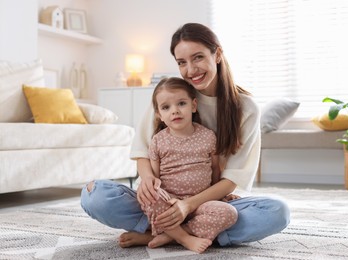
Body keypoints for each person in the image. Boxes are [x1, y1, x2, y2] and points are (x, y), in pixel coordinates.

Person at [80, 22, 290, 249]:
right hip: (162, 201)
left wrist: (187, 206)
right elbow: (142, 152)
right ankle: (191, 230)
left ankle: (165, 234)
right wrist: (148, 180)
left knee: (277, 212)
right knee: (94, 195)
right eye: (182, 62)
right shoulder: (170, 96)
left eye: (198, 57)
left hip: (208, 204)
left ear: (217, 54)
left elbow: (232, 179)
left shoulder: (246, 108)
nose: (191, 70)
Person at [142, 77, 237, 253]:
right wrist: (154, 192)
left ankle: (167, 236)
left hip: (201, 203)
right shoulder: (158, 141)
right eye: (166, 107)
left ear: (194, 106)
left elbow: (215, 171)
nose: (175, 111)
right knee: (151, 195)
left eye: (181, 104)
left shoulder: (208, 136)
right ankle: (185, 239)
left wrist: (220, 196)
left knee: (229, 213)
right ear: (159, 115)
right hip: (169, 204)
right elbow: (155, 179)